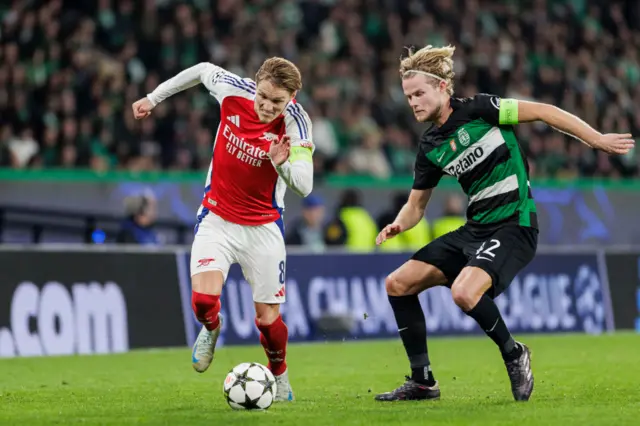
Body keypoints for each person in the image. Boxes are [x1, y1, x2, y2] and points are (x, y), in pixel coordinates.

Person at [375, 45, 634, 402]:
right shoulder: (431, 145)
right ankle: (423, 382)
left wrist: (596, 139)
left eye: (419, 93)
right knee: (397, 283)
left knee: (464, 292)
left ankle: (515, 354)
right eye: (408, 96)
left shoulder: (482, 109)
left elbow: (543, 111)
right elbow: (416, 205)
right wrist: (398, 224)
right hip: (474, 230)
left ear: (442, 88)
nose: (413, 102)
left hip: (515, 225)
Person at [131, 57, 315, 402]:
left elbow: (304, 185)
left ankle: (281, 376)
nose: (267, 106)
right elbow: (201, 70)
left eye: (277, 102)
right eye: (263, 96)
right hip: (217, 218)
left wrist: (283, 164)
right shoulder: (234, 90)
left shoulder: (296, 123)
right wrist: (153, 98)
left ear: (291, 97)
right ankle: (212, 329)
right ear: (256, 83)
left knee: (267, 321)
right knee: (203, 301)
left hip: (263, 228)